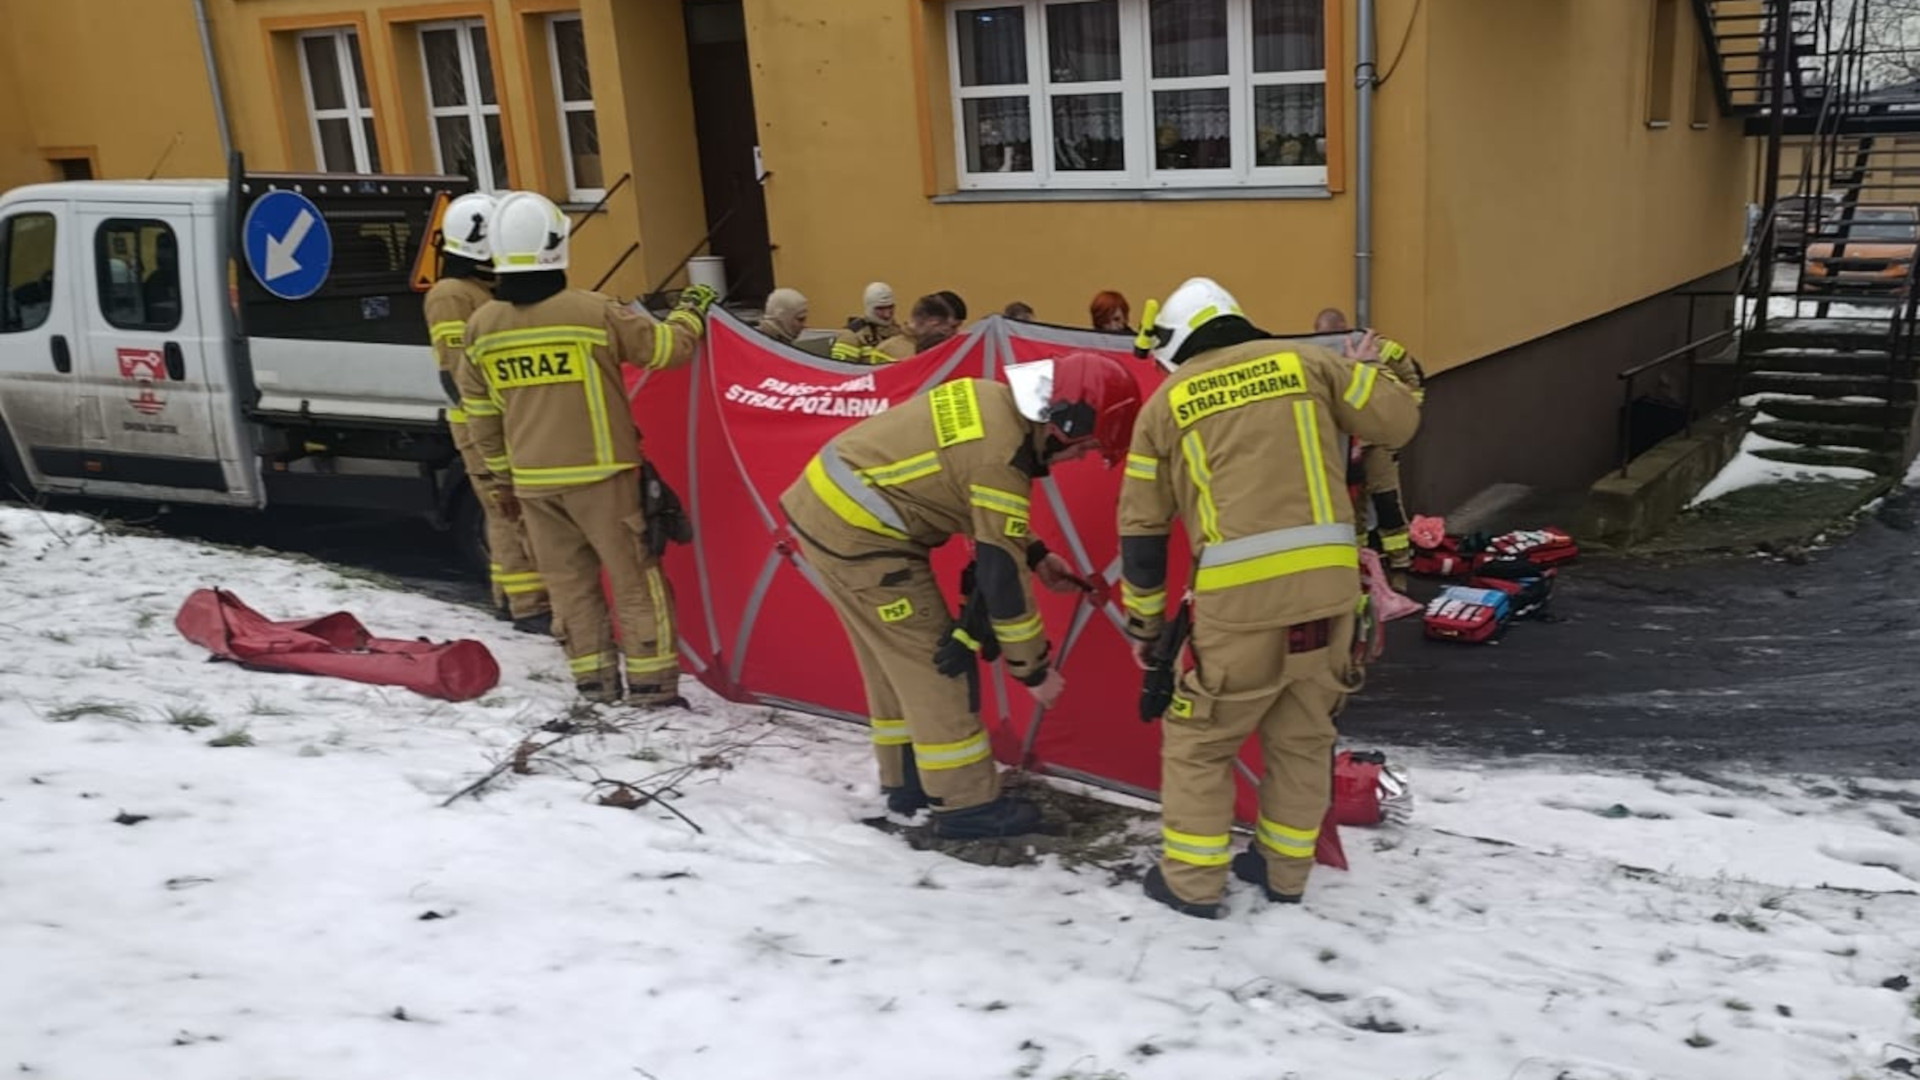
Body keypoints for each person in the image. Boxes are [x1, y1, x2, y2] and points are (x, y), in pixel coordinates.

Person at [1121, 278, 1420, 918]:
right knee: (1304, 737)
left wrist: (1145, 622)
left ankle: (1192, 886)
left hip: (1238, 609)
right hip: (1331, 598)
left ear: (1176, 344)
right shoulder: (1312, 365)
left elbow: (1142, 530)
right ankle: (1285, 874)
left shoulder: (1164, 405)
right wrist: (1366, 372)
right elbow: (1400, 419)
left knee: (1201, 744)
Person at [780, 352, 1143, 838]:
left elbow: (960, 487)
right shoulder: (1002, 457)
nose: (1078, 458)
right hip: (864, 538)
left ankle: (908, 788)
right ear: (1064, 421)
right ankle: (966, 806)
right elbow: (1000, 576)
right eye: (1085, 446)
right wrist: (1032, 668)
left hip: (829, 513)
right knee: (938, 665)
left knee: (895, 663)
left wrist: (1037, 554)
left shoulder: (986, 399)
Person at [465, 191, 718, 704]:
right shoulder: (592, 311)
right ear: (557, 245)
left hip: (534, 483)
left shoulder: (483, 327)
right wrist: (695, 310)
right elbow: (668, 351)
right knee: (634, 581)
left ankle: (594, 684)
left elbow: (481, 415)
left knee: (571, 588)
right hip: (603, 475)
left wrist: (501, 479)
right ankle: (651, 689)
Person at [431, 191, 551, 635]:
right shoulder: (451, 294)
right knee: (506, 512)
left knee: (507, 513)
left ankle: (515, 598)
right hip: (479, 422)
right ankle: (526, 605)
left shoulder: (479, 291)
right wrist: (491, 419)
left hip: (496, 418)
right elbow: (456, 371)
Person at [1313, 307, 1426, 590]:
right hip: (1347, 438)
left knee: (1386, 498)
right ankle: (1360, 563)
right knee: (1353, 505)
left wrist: (1397, 413)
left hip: (1377, 438)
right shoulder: (1321, 355)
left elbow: (1414, 383)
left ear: (1344, 329)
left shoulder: (1382, 349)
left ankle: (1400, 564)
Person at [838, 281, 901, 349]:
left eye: (890, 307)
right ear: (869, 307)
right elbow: (839, 360)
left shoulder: (898, 332)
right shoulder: (851, 335)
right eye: (880, 309)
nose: (887, 314)